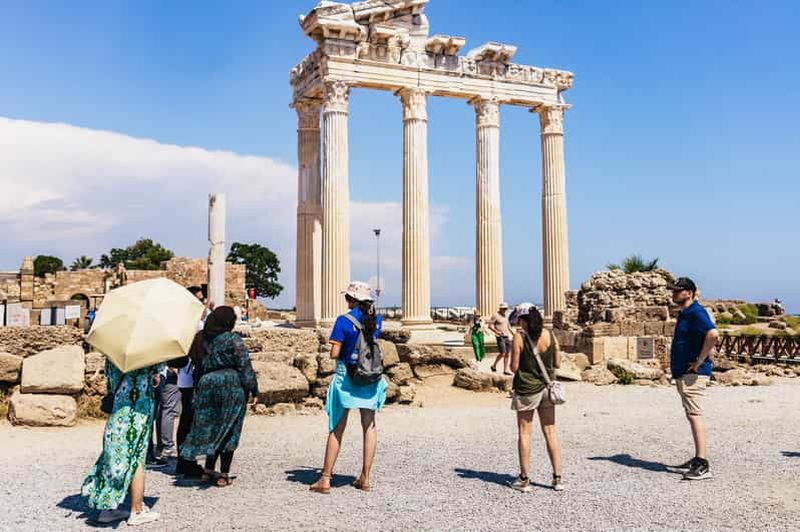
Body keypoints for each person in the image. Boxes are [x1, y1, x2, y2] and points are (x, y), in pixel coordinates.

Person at [310, 282, 387, 494]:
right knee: (369, 426)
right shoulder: (377, 320)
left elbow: (335, 353)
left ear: (352, 300)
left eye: (347, 298)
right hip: (370, 375)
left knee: (337, 427)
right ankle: (365, 477)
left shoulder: (343, 321)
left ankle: (325, 478)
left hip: (347, 376)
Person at [180, 306, 259, 487]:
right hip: (230, 384)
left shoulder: (202, 339)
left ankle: (208, 470)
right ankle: (223, 473)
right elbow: (244, 365)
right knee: (230, 427)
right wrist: (253, 389)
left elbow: (197, 364)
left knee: (211, 426)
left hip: (207, 383)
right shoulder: (233, 339)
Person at [81, 360, 163, 526]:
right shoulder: (147, 355)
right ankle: (137, 510)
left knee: (113, 456)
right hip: (139, 411)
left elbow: (111, 383)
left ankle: (108, 509)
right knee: (137, 458)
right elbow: (157, 377)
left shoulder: (113, 356)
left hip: (119, 410)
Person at [667, 277, 719, 481]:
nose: (673, 294)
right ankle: (698, 458)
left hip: (693, 373)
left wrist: (699, 361)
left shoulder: (696, 312)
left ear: (689, 293)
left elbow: (713, 334)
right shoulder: (686, 313)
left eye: (677, 291)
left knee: (694, 414)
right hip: (684, 372)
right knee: (691, 414)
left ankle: (702, 463)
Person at [508, 304, 563, 493]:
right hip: (548, 388)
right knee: (550, 432)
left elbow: (514, 367)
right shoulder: (550, 334)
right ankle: (557, 478)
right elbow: (557, 363)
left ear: (522, 320)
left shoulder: (519, 337)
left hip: (526, 388)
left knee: (525, 433)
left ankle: (524, 479)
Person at [171, 286, 206, 478]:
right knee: (190, 420)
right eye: (199, 299)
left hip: (185, 377)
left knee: (186, 419)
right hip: (192, 376)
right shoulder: (196, 326)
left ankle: (183, 460)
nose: (202, 303)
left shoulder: (181, 323)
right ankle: (187, 461)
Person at [489, 303, 513, 375]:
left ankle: (505, 370)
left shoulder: (505, 316)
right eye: (504, 308)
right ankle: (494, 365)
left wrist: (514, 334)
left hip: (507, 336)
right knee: (503, 353)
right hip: (500, 336)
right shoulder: (495, 315)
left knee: (508, 353)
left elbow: (509, 327)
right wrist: (497, 332)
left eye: (506, 309)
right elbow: (489, 326)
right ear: (500, 308)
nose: (505, 310)